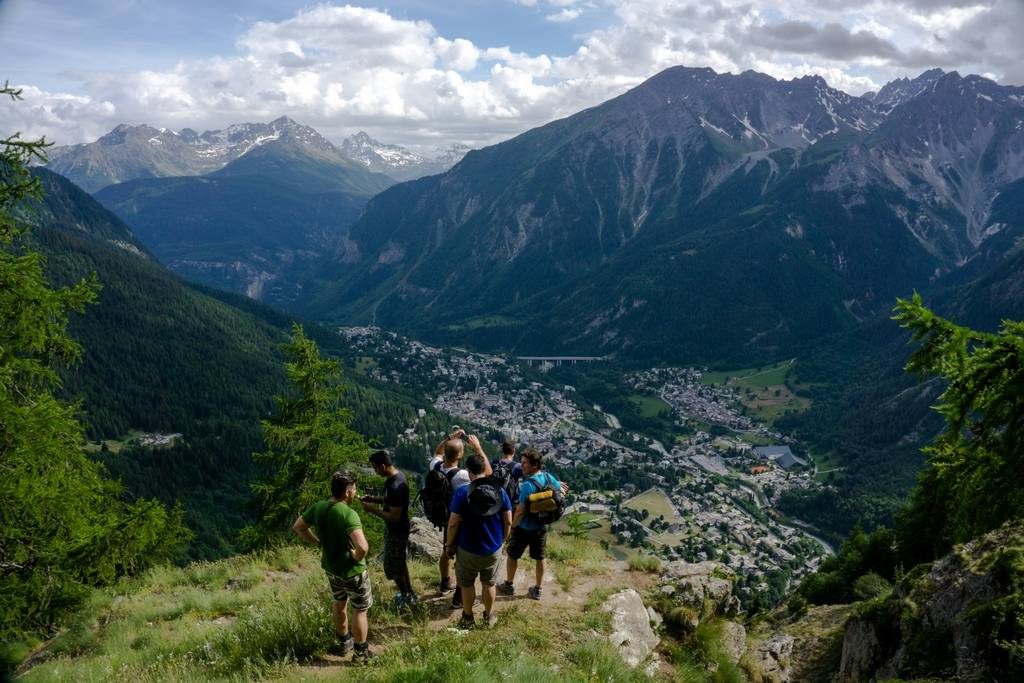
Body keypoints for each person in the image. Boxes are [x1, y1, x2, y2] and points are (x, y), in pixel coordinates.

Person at [292, 471, 374, 664]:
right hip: (353, 572)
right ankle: (361, 654)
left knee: (339, 603)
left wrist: (317, 542)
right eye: (354, 489)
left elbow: (298, 527)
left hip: (331, 568)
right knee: (360, 609)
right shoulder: (348, 513)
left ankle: (344, 642)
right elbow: (363, 547)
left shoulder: (319, 507)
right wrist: (355, 556)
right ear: (347, 492)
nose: (355, 492)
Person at [445, 452, 512, 628]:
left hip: (467, 547)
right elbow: (509, 520)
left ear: (468, 472)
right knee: (489, 583)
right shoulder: (500, 491)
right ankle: (488, 617)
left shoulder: (462, 493)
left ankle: (468, 618)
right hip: (492, 548)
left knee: (466, 584)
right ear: (485, 469)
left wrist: (449, 544)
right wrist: (502, 540)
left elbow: (453, 523)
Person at [430, 428, 492, 604]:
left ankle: (444, 583)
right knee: (461, 559)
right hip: (459, 519)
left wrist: (450, 438)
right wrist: (478, 448)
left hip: (443, 515)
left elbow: (437, 452)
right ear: (460, 455)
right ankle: (459, 595)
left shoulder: (435, 466)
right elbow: (487, 474)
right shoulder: (463, 476)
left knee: (446, 549)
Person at [498, 448, 568, 601]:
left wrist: (512, 527)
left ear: (534, 465)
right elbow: (561, 491)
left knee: (513, 555)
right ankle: (538, 589)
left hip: (523, 527)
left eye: (524, 463)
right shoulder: (548, 477)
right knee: (540, 557)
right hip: (541, 526)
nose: (521, 466)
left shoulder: (527, 485)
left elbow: (520, 511)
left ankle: (509, 585)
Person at [362, 450, 415, 607]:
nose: (375, 471)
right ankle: (408, 593)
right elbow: (390, 500)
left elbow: (395, 516)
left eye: (375, 468)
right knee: (400, 562)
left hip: (397, 530)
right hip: (396, 529)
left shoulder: (396, 485)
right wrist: (373, 499)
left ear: (383, 466)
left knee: (392, 567)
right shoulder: (394, 478)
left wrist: (372, 509)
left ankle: (406, 597)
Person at [490, 440, 522, 514]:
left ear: (502, 451)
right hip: (510, 504)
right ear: (513, 451)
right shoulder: (517, 467)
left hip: (494, 502)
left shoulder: (493, 463)